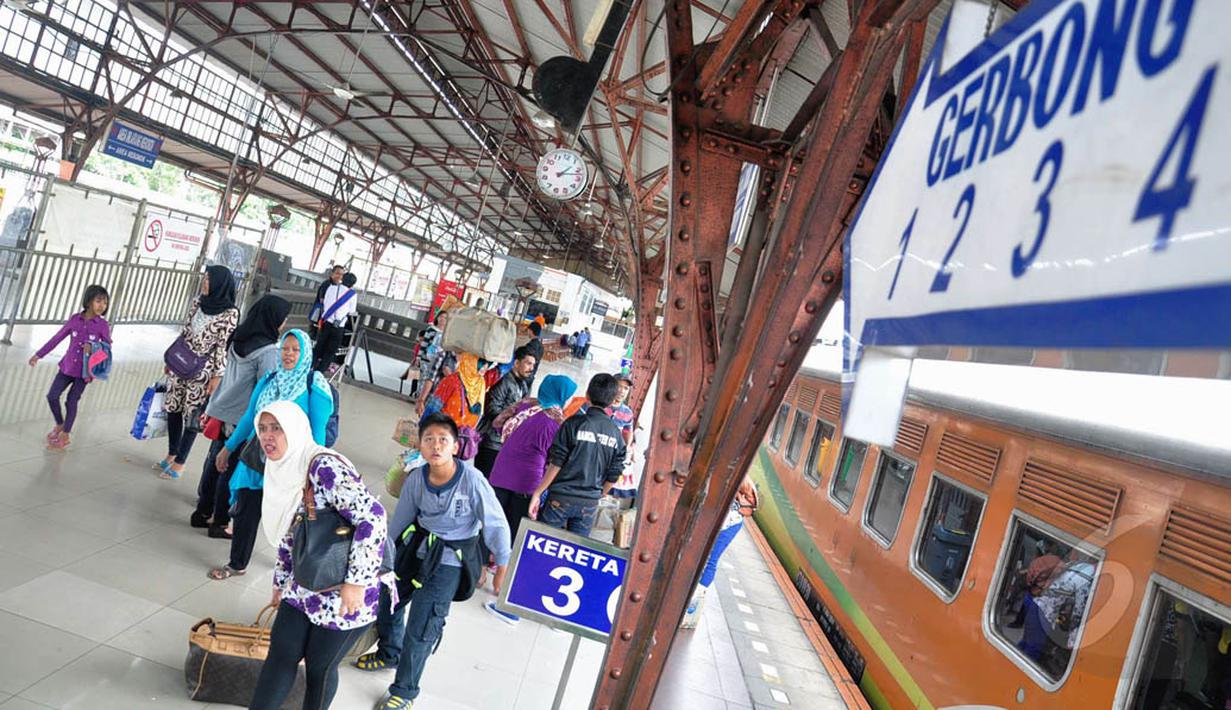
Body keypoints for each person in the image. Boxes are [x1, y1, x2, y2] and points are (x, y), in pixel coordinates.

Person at [356, 413, 511, 710]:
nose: (436, 446)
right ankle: (390, 652)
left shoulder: (472, 480)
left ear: (455, 446)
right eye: (429, 440)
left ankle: (405, 690)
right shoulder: (416, 478)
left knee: (423, 624)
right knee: (387, 598)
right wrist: (380, 558)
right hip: (418, 548)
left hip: (451, 559)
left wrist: (502, 566)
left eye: (443, 440)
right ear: (420, 445)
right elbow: (399, 522)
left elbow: (496, 523)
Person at [247, 401, 390, 710]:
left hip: (346, 588)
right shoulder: (282, 466)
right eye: (262, 428)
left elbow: (374, 517)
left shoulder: (323, 467)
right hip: (304, 582)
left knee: (319, 669)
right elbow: (292, 531)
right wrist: (280, 582)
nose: (268, 437)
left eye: (276, 428)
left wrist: (356, 582)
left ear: (295, 430)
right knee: (280, 657)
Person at [208, 330, 335, 580]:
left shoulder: (314, 385)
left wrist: (314, 470)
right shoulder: (269, 379)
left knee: (289, 516)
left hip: (293, 463)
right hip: (257, 456)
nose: (288, 354)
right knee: (247, 507)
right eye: (284, 349)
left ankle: (287, 569)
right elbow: (249, 418)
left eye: (295, 350)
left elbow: (318, 432)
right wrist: (228, 447)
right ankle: (237, 563)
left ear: (305, 353)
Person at [191, 294, 289, 537]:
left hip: (223, 407)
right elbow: (265, 389)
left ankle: (202, 512)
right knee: (229, 467)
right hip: (242, 416)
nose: (284, 324)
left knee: (215, 460)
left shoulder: (239, 337)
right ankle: (220, 521)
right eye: (283, 319)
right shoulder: (267, 352)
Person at [483, 374, 577, 625]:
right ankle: (500, 579)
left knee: (492, 522)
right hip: (527, 481)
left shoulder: (527, 404)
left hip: (501, 470)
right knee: (516, 530)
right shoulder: (556, 422)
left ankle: (480, 571)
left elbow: (498, 423)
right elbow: (554, 459)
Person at [159, 265, 239, 479]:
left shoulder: (230, 313)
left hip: (203, 371)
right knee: (173, 408)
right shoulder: (197, 303)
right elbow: (184, 332)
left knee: (192, 415)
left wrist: (217, 376)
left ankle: (181, 462)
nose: (204, 282)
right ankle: (171, 453)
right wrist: (171, 358)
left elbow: (222, 347)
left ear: (219, 284)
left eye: (208, 279)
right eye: (204, 279)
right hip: (182, 362)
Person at [529, 374, 627, 537]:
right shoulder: (616, 435)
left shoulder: (573, 424)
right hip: (588, 504)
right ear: (612, 402)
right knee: (574, 552)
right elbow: (614, 474)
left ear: (587, 395)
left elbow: (556, 463)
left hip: (560, 498)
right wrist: (597, 495)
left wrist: (538, 493)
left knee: (543, 545)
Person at [29, 284, 111, 450]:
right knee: (52, 396)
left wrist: (94, 347)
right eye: (98, 301)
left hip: (84, 372)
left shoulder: (102, 325)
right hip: (66, 367)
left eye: (105, 303)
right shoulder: (75, 319)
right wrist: (38, 355)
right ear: (88, 301)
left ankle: (65, 435)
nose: (102, 306)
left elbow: (107, 349)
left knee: (71, 400)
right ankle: (59, 424)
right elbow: (57, 338)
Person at [683, 477, 759, 625]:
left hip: (730, 522)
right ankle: (696, 595)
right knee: (710, 558)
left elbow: (748, 507)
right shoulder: (744, 481)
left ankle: (697, 595)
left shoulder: (743, 482)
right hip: (731, 522)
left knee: (711, 558)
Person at [473, 346, 536, 477]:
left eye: (533, 365)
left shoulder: (523, 385)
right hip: (491, 441)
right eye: (528, 363)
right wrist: (509, 419)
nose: (531, 368)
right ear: (517, 363)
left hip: (504, 443)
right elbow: (491, 408)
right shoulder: (504, 381)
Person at [421, 351, 488, 431]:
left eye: (486, 365)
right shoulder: (452, 381)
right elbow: (433, 408)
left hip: (462, 438)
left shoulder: (481, 385)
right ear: (468, 362)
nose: (484, 368)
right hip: (442, 434)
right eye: (480, 363)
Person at [312, 272, 358, 373]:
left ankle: (310, 366)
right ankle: (320, 372)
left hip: (325, 321)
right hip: (339, 326)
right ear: (352, 284)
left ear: (342, 279)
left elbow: (325, 302)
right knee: (330, 351)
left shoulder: (331, 288)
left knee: (319, 346)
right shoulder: (352, 295)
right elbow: (352, 312)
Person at [309, 265, 345, 339]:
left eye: (341, 274)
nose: (339, 276)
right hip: (320, 313)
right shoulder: (327, 284)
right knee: (314, 336)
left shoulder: (337, 286)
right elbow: (322, 300)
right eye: (337, 273)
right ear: (332, 273)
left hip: (327, 315)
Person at [523, 321, 544, 388]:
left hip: (524, 376)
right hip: (531, 375)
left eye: (528, 330)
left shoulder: (530, 346)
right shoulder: (541, 346)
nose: (527, 332)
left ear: (531, 331)